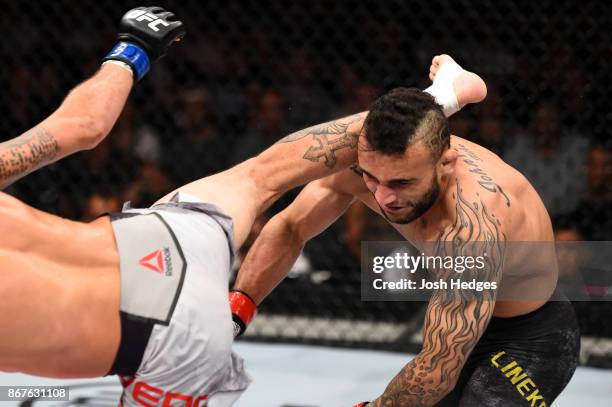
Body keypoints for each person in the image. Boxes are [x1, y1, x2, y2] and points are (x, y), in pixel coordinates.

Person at [0, 17, 483, 401]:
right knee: (264, 171)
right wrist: (132, 49)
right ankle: (440, 97)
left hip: (166, 340)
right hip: (166, 238)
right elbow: (85, 124)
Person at [231, 56, 580, 406]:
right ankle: (447, 92)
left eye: (402, 182)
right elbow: (292, 227)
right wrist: (236, 310)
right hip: (454, 327)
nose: (383, 197)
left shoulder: (472, 228)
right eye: (372, 179)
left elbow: (435, 373)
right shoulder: (367, 165)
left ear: (445, 164)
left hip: (529, 338)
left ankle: (450, 90)